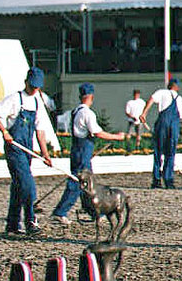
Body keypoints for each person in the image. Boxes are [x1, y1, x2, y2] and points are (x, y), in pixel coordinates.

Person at [0, 67, 52, 236]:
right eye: (32, 86)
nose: (34, 90)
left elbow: (40, 131)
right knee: (27, 185)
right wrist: (5, 131)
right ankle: (31, 221)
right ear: (26, 83)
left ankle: (12, 224)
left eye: (37, 87)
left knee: (18, 186)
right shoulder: (14, 99)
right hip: (14, 148)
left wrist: (45, 154)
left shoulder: (38, 103)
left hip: (27, 149)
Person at [50, 83, 126, 225]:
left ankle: (92, 211)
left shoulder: (75, 111)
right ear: (91, 97)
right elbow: (97, 132)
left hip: (77, 149)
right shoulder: (87, 113)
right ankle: (60, 212)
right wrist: (117, 137)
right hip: (83, 151)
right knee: (78, 183)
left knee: (86, 184)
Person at [140, 78, 182, 189]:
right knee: (171, 152)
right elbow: (180, 118)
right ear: (176, 87)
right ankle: (168, 180)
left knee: (158, 151)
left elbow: (151, 100)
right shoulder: (180, 99)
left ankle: (157, 179)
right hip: (174, 124)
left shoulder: (162, 92)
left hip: (163, 123)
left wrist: (144, 113)